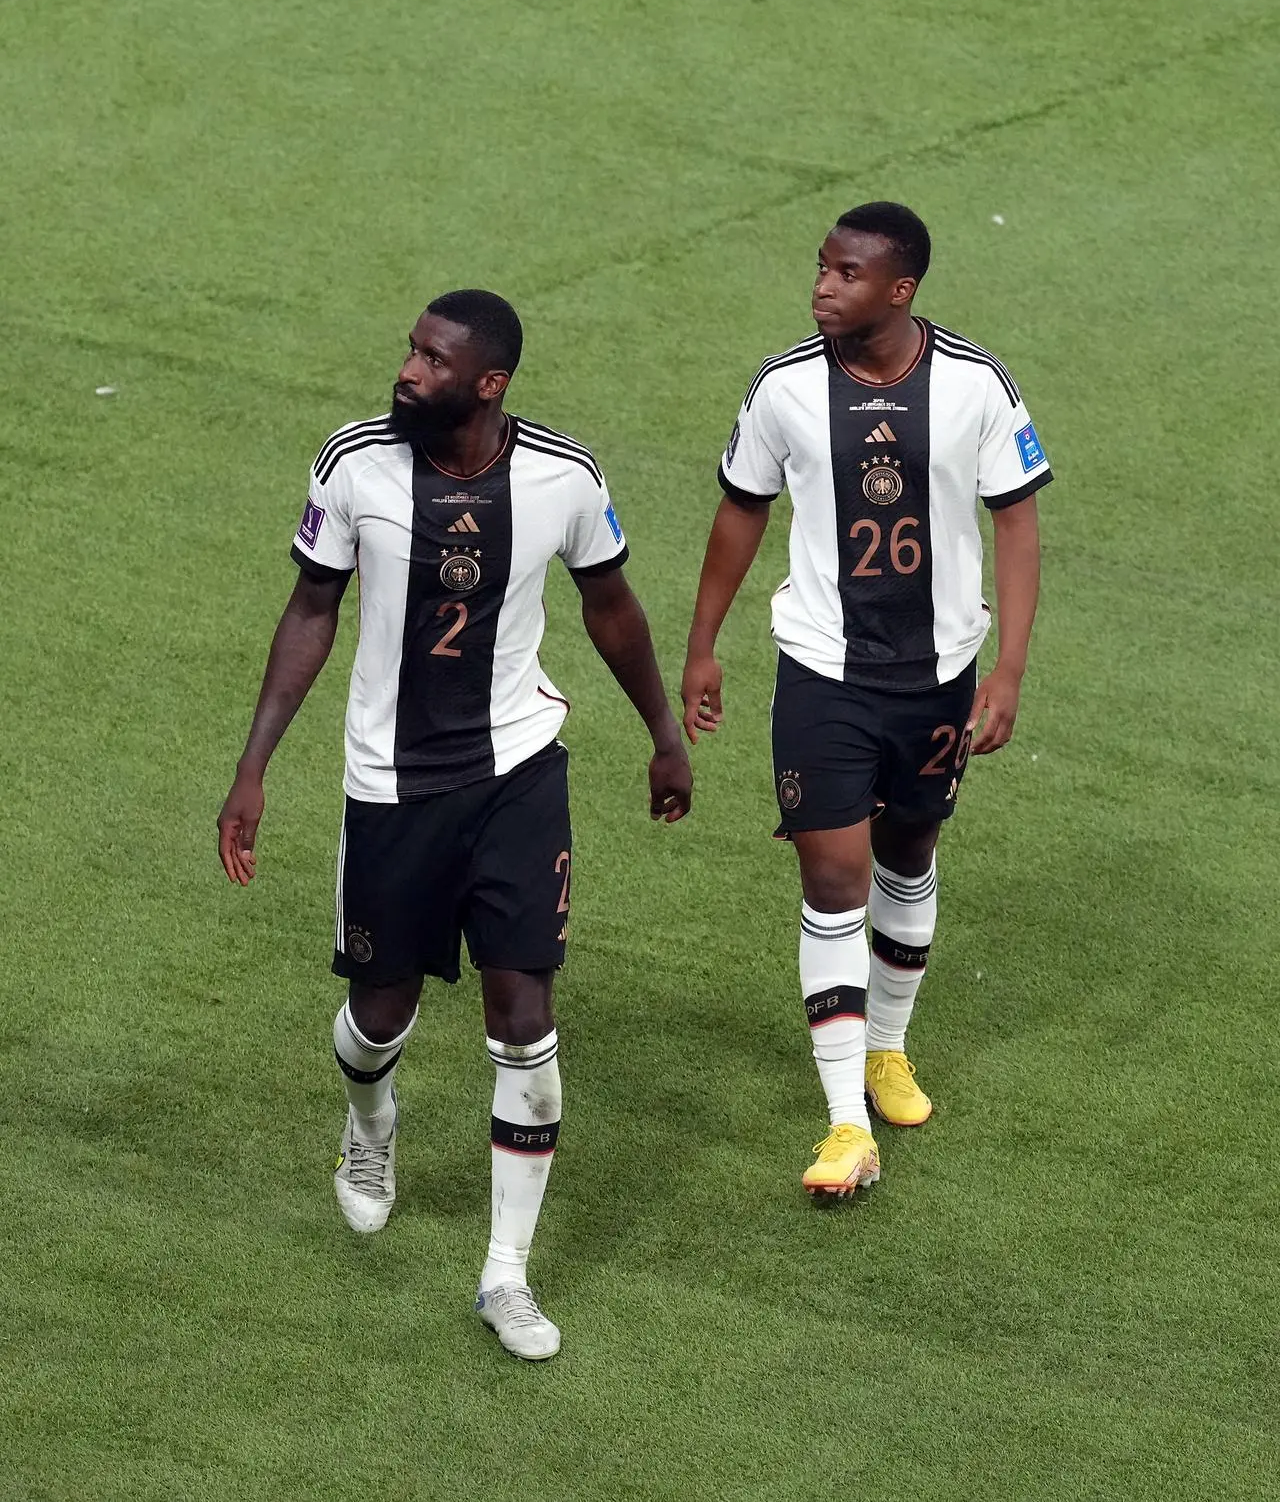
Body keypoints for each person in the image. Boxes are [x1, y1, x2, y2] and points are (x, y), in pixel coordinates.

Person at [218, 289, 692, 1358]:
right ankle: (369, 1127)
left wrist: (663, 732)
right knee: (378, 1015)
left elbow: (608, 601)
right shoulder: (354, 466)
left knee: (523, 1013)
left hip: (519, 771)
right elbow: (310, 610)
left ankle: (504, 1276)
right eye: (409, 350)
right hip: (390, 786)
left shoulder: (564, 477)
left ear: (489, 383)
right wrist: (254, 768)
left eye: (432, 358)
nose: (407, 368)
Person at [681, 203, 1050, 1198]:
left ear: (900, 290)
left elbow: (1013, 522)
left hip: (937, 673)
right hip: (819, 667)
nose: (820, 287)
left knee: (908, 853)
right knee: (834, 874)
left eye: (845, 274)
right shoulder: (783, 388)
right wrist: (702, 644)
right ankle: (845, 1122)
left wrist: (1007, 667)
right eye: (818, 269)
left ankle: (885, 1046)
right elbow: (739, 511)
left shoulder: (974, 384)